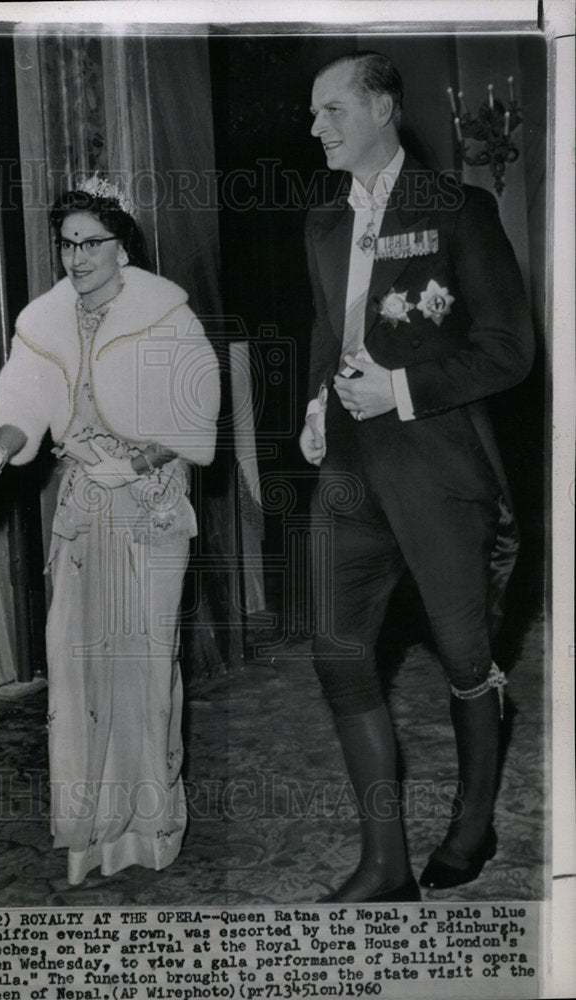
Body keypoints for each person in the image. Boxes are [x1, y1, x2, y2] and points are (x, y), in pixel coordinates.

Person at [299, 53, 534, 902]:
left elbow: (510, 352)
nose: (317, 127)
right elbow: (329, 334)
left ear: (384, 108)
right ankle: (385, 864)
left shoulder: (458, 211)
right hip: (351, 475)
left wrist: (398, 389)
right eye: (313, 113)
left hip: (437, 468)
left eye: (332, 110)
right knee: (338, 651)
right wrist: (315, 406)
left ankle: (473, 825)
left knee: (467, 659)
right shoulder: (323, 224)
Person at [0, 177, 220, 885]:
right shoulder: (48, 319)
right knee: (78, 670)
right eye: (67, 243)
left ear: (121, 244)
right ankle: (92, 835)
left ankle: (148, 829)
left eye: (91, 243)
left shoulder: (166, 314)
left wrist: (135, 461)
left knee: (142, 668)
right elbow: (22, 398)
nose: (77, 258)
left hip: (150, 507)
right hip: (85, 510)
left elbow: (196, 415)